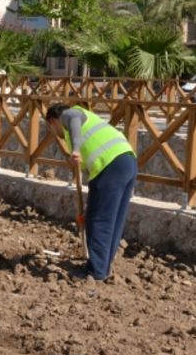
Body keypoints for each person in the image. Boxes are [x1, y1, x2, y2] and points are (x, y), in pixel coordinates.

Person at [45, 103, 137, 281]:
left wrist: (76, 149)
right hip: (127, 161)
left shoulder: (70, 114)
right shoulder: (87, 120)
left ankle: (96, 271)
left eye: (51, 127)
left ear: (52, 121)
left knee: (98, 220)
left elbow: (72, 119)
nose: (55, 132)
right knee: (113, 219)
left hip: (110, 166)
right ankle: (103, 265)